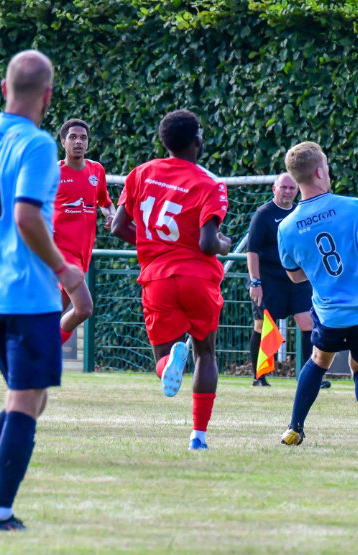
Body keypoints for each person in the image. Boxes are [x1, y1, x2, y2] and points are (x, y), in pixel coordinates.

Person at [0, 49, 92, 531]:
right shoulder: (37, 145)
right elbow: (27, 217)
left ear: (4, 88)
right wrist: (64, 270)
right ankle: (1, 514)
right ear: (47, 97)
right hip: (27, 292)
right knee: (28, 399)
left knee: (26, 396)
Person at [110, 109, 231, 451]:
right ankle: (198, 436)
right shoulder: (210, 184)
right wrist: (224, 244)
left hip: (156, 277)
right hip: (197, 276)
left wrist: (153, 243)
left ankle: (168, 365)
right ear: (196, 142)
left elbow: (118, 226)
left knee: (162, 357)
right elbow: (208, 243)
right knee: (205, 353)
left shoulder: (141, 173)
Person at [276, 141, 358, 449]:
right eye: (326, 165)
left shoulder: (287, 227)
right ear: (319, 171)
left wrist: (316, 268)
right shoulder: (353, 207)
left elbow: (294, 275)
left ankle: (294, 429)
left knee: (318, 360)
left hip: (331, 314)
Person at [246, 173, 329, 389]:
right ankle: (259, 377)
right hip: (268, 280)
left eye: (292, 188)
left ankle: (310, 377)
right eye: (283, 187)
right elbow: (252, 251)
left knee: (308, 323)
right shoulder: (263, 215)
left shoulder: (301, 213)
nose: (288, 192)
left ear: (297, 190)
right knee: (264, 326)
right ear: (274, 189)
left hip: (296, 279)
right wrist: (255, 283)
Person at [53, 118, 115, 345]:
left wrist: (111, 215)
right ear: (63, 142)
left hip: (82, 256)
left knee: (50, 316)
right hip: (60, 255)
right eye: (73, 137)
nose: (78, 142)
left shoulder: (96, 171)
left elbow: (105, 202)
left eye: (83, 138)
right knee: (84, 308)